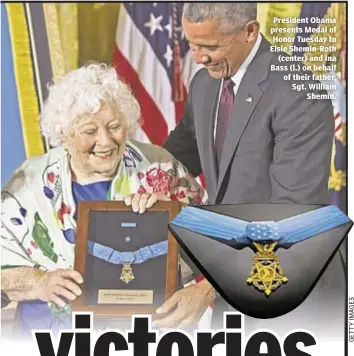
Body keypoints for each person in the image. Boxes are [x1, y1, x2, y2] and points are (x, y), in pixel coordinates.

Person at [0, 63, 214, 336]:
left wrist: (174, 215)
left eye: (114, 126)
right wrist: (39, 282)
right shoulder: (29, 182)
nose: (105, 141)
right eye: (90, 131)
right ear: (64, 135)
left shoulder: (159, 167)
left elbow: (218, 245)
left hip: (145, 337)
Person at [162, 3, 337, 334]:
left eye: (211, 46)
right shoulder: (204, 83)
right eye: (192, 44)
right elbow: (176, 159)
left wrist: (208, 286)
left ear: (250, 31)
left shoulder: (299, 94)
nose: (198, 57)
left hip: (287, 295)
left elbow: (290, 216)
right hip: (229, 295)